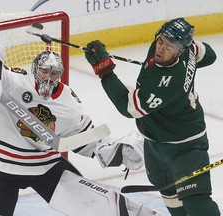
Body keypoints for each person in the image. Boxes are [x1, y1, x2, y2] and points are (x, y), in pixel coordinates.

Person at [0, 49, 162, 216]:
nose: (49, 77)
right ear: (35, 69)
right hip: (1, 163)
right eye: (45, 71)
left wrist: (116, 150)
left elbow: (81, 137)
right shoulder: (13, 82)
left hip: (44, 165)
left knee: (93, 203)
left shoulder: (68, 102)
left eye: (54, 73)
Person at [84, 17, 221, 216]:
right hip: (154, 142)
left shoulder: (167, 84)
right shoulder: (188, 48)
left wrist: (105, 72)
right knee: (170, 195)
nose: (161, 48)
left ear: (180, 50)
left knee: (196, 202)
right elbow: (210, 55)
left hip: (185, 145)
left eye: (170, 46)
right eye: (161, 41)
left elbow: (128, 107)